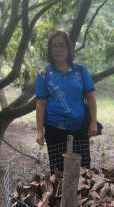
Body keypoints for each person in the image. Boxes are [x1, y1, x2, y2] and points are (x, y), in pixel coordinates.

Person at [36, 30, 98, 173]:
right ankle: (59, 195)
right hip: (54, 129)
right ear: (50, 49)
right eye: (54, 45)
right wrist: (39, 130)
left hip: (80, 128)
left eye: (62, 45)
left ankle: (81, 195)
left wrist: (93, 122)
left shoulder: (81, 71)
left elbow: (91, 96)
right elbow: (41, 103)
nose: (58, 49)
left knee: (82, 169)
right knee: (58, 170)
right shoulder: (43, 74)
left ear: (68, 48)